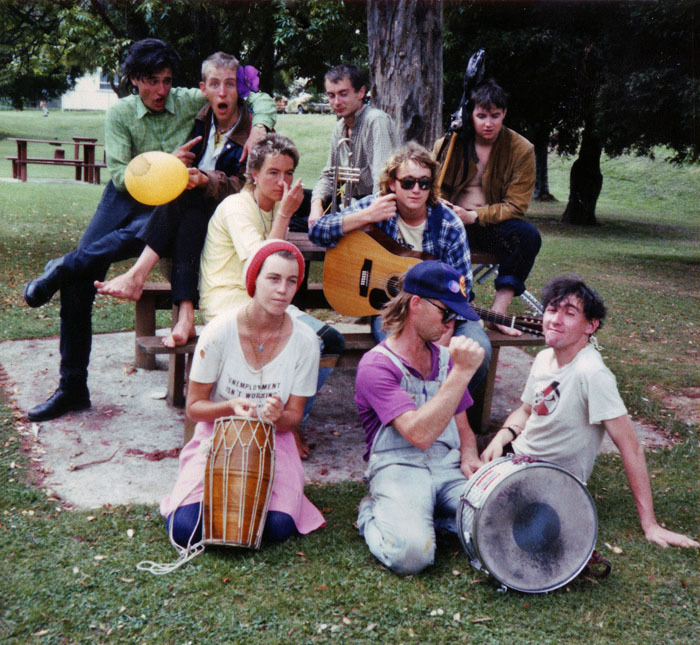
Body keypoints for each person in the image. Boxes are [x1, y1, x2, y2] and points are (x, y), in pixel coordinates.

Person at [22, 39, 276, 422]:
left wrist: (264, 126)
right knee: (80, 282)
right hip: (126, 194)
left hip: (170, 201)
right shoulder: (121, 114)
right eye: (152, 82)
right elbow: (122, 176)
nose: (161, 90)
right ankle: (72, 386)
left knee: (92, 260)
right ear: (135, 81)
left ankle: (63, 266)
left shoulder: (190, 97)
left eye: (167, 81)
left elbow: (254, 96)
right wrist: (160, 165)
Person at [480, 275, 699, 549]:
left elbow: (631, 448)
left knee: (479, 507)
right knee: (453, 453)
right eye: (551, 310)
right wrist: (501, 438)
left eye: (569, 314)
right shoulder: (545, 358)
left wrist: (650, 524)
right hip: (515, 453)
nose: (555, 320)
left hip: (545, 479)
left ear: (591, 326)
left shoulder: (592, 374)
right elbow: (525, 411)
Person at [161, 240, 325, 547]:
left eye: (292, 281)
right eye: (273, 279)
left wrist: (278, 417)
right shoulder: (220, 331)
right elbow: (194, 408)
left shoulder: (306, 341)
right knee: (184, 529)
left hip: (274, 440)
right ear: (254, 280)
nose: (282, 290)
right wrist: (230, 407)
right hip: (218, 435)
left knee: (277, 527)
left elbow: (294, 417)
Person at [95, 51, 255, 348]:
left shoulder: (254, 131)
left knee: (182, 193)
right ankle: (185, 315)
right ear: (203, 88)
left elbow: (247, 187)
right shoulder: (202, 118)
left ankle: (138, 275)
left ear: (240, 89)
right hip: (195, 211)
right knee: (185, 201)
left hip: (232, 210)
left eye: (231, 84)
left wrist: (206, 180)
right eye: (215, 84)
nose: (223, 92)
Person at [198, 133, 345, 446]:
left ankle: (287, 419)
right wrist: (285, 215)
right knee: (306, 342)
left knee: (329, 341)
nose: (283, 181)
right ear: (254, 174)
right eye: (273, 173)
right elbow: (259, 264)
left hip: (264, 300)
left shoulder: (270, 206)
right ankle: (284, 427)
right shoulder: (237, 206)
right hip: (230, 302)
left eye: (289, 173)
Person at [309, 141, 491, 394]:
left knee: (479, 350)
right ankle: (406, 416)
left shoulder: (448, 224)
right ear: (393, 183)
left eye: (424, 183)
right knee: (403, 356)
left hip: (447, 314)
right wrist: (365, 217)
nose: (416, 189)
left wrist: (444, 330)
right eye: (407, 182)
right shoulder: (377, 206)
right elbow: (317, 231)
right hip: (393, 310)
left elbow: (463, 289)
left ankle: (443, 413)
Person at [354, 260, 485, 574]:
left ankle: (431, 515)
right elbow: (418, 434)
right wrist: (463, 372)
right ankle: (371, 513)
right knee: (411, 555)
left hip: (447, 465)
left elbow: (463, 425)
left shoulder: (446, 360)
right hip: (398, 464)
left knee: (497, 522)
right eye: (447, 313)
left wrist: (469, 454)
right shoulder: (376, 365)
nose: (451, 324)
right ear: (415, 304)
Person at [434, 78, 541, 336]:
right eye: (481, 115)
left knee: (528, 235)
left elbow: (516, 205)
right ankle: (457, 305)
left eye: (495, 115)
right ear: (470, 114)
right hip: (451, 224)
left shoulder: (521, 149)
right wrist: (448, 208)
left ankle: (498, 313)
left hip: (491, 226)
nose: (488, 123)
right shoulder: (450, 144)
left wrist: (473, 216)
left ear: (504, 113)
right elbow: (431, 188)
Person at [306, 64, 400, 230]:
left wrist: (354, 217)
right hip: (353, 207)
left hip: (376, 211)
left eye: (343, 94)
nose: (337, 102)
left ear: (361, 93)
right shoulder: (340, 127)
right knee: (297, 206)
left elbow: (382, 184)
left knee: (317, 229)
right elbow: (329, 175)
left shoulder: (375, 121)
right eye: (331, 95)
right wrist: (316, 205)